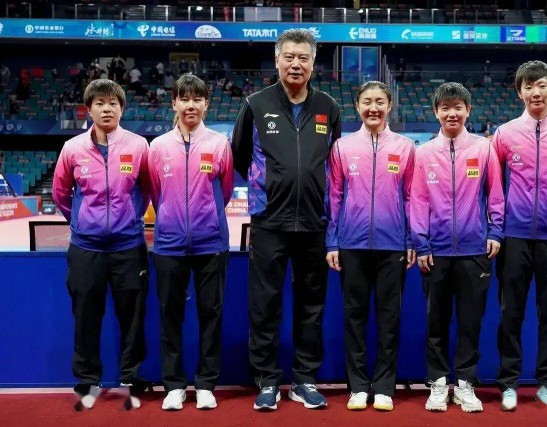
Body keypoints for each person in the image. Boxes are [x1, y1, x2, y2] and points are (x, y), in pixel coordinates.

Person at [231, 28, 341, 411]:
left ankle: (305, 379)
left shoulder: (329, 107)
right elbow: (240, 157)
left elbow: (332, 162)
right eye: (289, 57)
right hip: (269, 223)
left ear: (313, 63)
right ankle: (267, 380)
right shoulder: (255, 104)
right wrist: (268, 191)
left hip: (314, 223)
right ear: (277, 60)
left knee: (312, 306)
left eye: (303, 58)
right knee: (264, 304)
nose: (296, 64)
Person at [52, 79, 151, 410]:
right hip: (86, 248)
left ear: (122, 109)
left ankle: (131, 376)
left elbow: (147, 189)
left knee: (132, 315)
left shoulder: (139, 146)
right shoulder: (72, 149)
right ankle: (87, 379)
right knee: (85, 315)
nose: (106, 109)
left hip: (129, 246)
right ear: (89, 109)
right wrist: (83, 223)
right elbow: (60, 193)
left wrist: (130, 219)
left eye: (113, 103)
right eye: (99, 103)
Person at [493, 60, 547, 412]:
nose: (536, 92)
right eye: (528, 86)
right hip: (513, 236)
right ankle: (508, 382)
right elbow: (496, 187)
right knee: (510, 312)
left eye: (542, 84)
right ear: (520, 93)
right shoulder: (504, 134)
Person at [411, 82, 504, 413]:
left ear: (468, 110)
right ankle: (437, 383)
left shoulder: (483, 149)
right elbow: (418, 201)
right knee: (435, 322)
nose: (452, 113)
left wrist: (495, 231)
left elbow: (496, 194)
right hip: (434, 253)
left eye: (458, 107)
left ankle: (465, 383)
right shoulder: (423, 153)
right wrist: (421, 244)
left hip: (474, 251)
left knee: (470, 322)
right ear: (436, 112)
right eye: (445, 107)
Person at [326, 81, 415, 412]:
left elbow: (411, 198)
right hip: (352, 244)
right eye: (367, 102)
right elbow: (334, 196)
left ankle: (385, 387)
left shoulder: (406, 147)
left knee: (389, 319)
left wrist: (411, 239)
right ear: (357, 107)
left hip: (393, 245)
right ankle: (358, 386)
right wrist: (332, 240)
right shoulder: (342, 147)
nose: (373, 108)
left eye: (379, 102)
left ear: (389, 106)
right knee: (354, 317)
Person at [148, 74, 233, 411]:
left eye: (197, 99)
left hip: (211, 242)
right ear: (174, 103)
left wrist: (205, 218)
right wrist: (171, 218)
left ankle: (206, 384)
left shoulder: (220, 144)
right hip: (169, 244)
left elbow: (225, 190)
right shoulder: (157, 147)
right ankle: (174, 385)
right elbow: (156, 193)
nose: (191, 105)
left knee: (211, 314)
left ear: (206, 104)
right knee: (170, 315)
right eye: (184, 99)